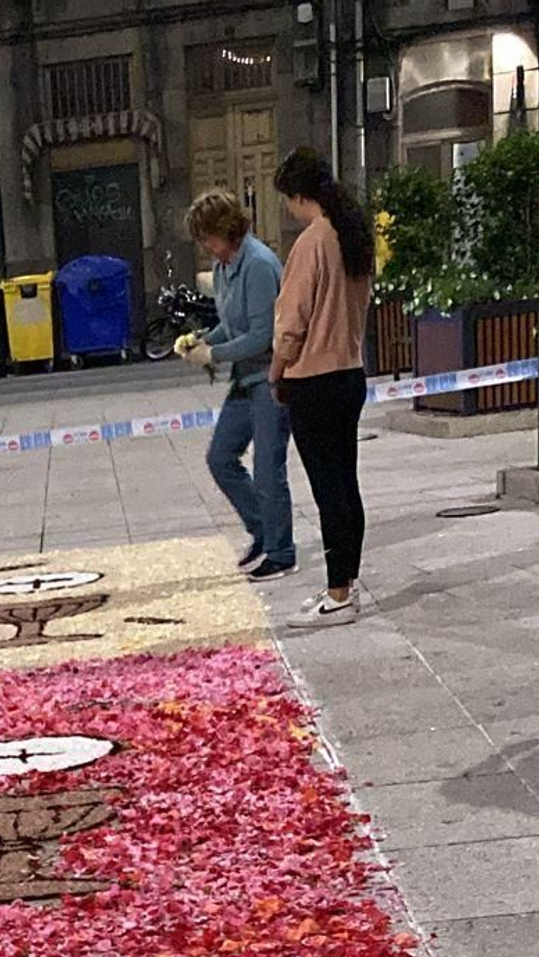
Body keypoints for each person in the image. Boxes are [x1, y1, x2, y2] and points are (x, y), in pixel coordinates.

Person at [267, 148, 375, 623]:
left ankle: (337, 595)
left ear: (297, 195)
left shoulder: (312, 243)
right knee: (346, 484)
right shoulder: (352, 235)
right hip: (350, 372)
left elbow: (291, 322)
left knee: (327, 489)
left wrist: (276, 372)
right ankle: (346, 584)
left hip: (313, 379)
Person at [188, 189, 295, 580]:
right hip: (243, 379)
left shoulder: (258, 265)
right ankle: (262, 530)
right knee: (220, 457)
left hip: (270, 377)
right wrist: (205, 340)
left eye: (208, 236)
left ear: (227, 230)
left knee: (268, 470)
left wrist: (214, 356)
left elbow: (263, 334)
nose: (205, 245)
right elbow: (234, 324)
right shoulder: (223, 267)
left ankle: (282, 552)